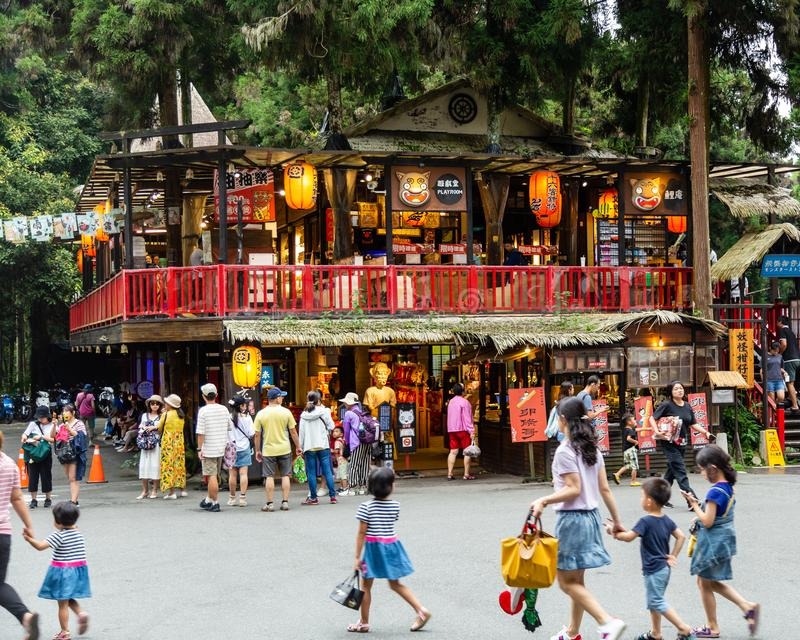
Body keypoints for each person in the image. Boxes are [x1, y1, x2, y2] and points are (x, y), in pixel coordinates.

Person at [530, 397, 627, 640]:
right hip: (591, 518)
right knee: (577, 581)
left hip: (572, 520)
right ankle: (573, 632)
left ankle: (607, 622)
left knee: (566, 583)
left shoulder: (565, 451)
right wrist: (617, 521)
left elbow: (573, 488)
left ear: (563, 420)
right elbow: (605, 489)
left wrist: (544, 500)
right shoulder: (591, 448)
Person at [684, 445, 759, 639]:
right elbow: (717, 513)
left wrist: (694, 505)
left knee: (704, 583)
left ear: (713, 468)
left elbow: (708, 521)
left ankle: (712, 626)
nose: (701, 474)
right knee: (707, 581)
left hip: (713, 543)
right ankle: (747, 607)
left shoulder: (714, 492)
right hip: (724, 540)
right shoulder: (727, 487)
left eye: (702, 469)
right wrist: (700, 510)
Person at [607, 477, 695, 640]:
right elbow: (681, 536)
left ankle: (684, 629)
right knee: (655, 600)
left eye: (642, 496)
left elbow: (628, 537)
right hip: (664, 568)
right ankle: (656, 633)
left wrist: (613, 531)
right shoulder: (666, 520)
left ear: (649, 501)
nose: (641, 499)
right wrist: (673, 555)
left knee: (656, 601)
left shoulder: (645, 521)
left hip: (653, 569)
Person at [348, 467, 431, 633]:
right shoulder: (395, 506)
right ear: (390, 487)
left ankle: (364, 623)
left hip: (374, 550)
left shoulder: (365, 507)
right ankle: (421, 610)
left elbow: (362, 533)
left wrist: (357, 557)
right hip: (392, 547)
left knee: (366, 586)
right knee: (395, 584)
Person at [23, 501, 90, 640]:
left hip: (63, 572)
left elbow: (40, 546)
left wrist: (29, 539)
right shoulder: (78, 533)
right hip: (78, 571)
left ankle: (65, 632)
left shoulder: (59, 535)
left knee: (62, 604)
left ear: (58, 522)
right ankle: (81, 613)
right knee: (68, 596)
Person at [0, 429, 41, 640]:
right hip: (3, 534)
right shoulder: (9, 464)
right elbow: (16, 498)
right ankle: (25, 617)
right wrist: (28, 525)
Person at [649, 381, 714, 509]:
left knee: (671, 471)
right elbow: (652, 418)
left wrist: (705, 433)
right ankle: (692, 501)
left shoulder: (687, 406)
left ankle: (658, 498)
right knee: (680, 471)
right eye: (676, 389)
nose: (679, 390)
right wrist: (657, 431)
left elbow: (693, 423)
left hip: (682, 443)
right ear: (671, 392)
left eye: (681, 388)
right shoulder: (667, 405)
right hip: (669, 443)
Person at [253, 387, 301, 512]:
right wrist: (298, 446)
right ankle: (285, 502)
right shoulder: (286, 412)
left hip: (268, 449)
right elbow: (293, 432)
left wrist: (257, 450)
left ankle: (270, 503)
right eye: (281, 396)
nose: (282, 398)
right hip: (285, 448)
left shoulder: (261, 414)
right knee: (286, 475)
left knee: (269, 476)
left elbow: (257, 434)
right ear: (277, 398)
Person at [195, 383, 232, 513]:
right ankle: (209, 500)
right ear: (216, 395)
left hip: (208, 448)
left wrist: (199, 449)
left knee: (211, 476)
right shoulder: (224, 409)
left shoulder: (203, 411)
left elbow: (201, 433)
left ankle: (215, 502)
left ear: (203, 396)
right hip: (220, 446)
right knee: (215, 475)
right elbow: (229, 427)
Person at [298, 390, 337, 506]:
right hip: (323, 445)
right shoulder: (324, 411)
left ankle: (313, 498)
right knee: (327, 470)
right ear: (319, 399)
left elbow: (301, 433)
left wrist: (300, 447)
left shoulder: (304, 414)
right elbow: (332, 426)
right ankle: (332, 497)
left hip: (309, 446)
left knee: (311, 472)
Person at [22, 406, 55, 508]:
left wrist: (41, 437)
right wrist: (25, 438)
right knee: (32, 476)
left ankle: (48, 498)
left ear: (47, 416)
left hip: (45, 454)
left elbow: (53, 439)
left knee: (46, 476)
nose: (40, 419)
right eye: (39, 417)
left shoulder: (52, 425)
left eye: (42, 417)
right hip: (33, 453)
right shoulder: (33, 424)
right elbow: (24, 435)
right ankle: (33, 500)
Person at [56, 405, 87, 508]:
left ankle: (73, 501)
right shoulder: (62, 425)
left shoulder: (79, 423)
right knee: (70, 477)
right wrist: (55, 425)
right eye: (63, 412)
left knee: (73, 478)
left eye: (67, 411)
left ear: (73, 413)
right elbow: (56, 437)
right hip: (64, 453)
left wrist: (69, 429)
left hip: (74, 452)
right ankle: (74, 500)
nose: (64, 413)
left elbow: (81, 436)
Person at [226, 396, 254, 507]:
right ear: (241, 406)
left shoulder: (228, 417)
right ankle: (242, 498)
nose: (246, 406)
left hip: (231, 447)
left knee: (232, 475)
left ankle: (232, 498)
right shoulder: (247, 418)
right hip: (244, 447)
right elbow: (251, 433)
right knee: (243, 474)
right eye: (244, 404)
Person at [158, 394, 187, 500]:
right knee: (179, 465)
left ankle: (171, 492)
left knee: (168, 465)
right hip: (179, 442)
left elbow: (159, 428)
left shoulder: (165, 414)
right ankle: (182, 490)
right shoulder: (181, 415)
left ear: (170, 405)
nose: (165, 404)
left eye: (166, 403)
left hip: (168, 442)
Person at [341, 392, 369, 496]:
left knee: (354, 465)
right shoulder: (362, 412)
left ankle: (352, 488)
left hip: (356, 442)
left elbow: (346, 430)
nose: (345, 404)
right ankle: (363, 487)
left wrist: (347, 443)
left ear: (350, 403)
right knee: (364, 464)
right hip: (367, 441)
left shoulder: (348, 413)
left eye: (346, 402)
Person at [446, 383, 475, 481]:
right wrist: (472, 431)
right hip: (462, 430)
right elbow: (467, 419)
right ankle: (466, 474)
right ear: (463, 391)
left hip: (452, 429)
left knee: (453, 451)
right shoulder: (465, 402)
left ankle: (450, 473)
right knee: (467, 452)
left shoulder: (451, 402)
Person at [136, 395, 163, 500]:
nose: (155, 406)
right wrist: (145, 428)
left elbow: (162, 429)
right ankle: (145, 490)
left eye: (157, 404)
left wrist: (154, 427)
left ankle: (154, 490)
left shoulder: (162, 416)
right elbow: (140, 427)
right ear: (149, 405)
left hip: (156, 443)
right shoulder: (144, 415)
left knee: (155, 465)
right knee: (144, 466)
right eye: (152, 404)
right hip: (145, 443)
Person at [777, 316, 800, 412]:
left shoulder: (782, 330)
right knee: (793, 383)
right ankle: (791, 398)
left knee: (789, 383)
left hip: (789, 360)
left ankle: (795, 406)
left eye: (777, 322)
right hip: (797, 359)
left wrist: (779, 354)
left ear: (780, 322)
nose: (777, 324)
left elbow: (784, 344)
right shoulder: (791, 332)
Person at [613, 413, 641, 487]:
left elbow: (637, 430)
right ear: (629, 422)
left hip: (626, 450)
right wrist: (636, 442)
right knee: (635, 466)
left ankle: (617, 474)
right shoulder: (630, 431)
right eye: (634, 419)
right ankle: (633, 481)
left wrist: (648, 429)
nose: (635, 421)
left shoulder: (626, 429)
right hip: (631, 450)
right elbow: (628, 438)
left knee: (627, 465)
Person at [765, 340, 787, 407]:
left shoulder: (780, 356)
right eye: (774, 350)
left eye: (777, 351)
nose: (776, 352)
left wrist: (785, 372)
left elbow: (780, 368)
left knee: (781, 397)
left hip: (779, 380)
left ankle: (774, 405)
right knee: (771, 399)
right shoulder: (765, 356)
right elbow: (761, 370)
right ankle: (773, 409)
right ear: (770, 348)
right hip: (769, 380)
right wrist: (763, 380)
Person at [331, 426, 350, 496]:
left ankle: (345, 488)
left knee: (343, 475)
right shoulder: (342, 440)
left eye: (336, 431)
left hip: (341, 460)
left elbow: (336, 451)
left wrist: (330, 450)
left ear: (341, 434)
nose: (334, 433)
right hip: (343, 460)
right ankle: (342, 487)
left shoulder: (337, 441)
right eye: (333, 431)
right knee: (341, 474)